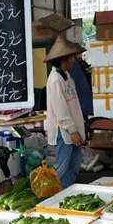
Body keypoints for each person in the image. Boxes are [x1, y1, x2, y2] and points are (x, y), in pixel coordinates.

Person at [44, 36, 86, 189]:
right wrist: (72, 130)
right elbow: (60, 109)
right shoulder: (55, 79)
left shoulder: (66, 76)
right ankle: (51, 196)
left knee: (73, 167)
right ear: (64, 58)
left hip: (73, 129)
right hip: (64, 131)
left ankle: (66, 193)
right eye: (72, 57)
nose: (74, 60)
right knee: (62, 167)